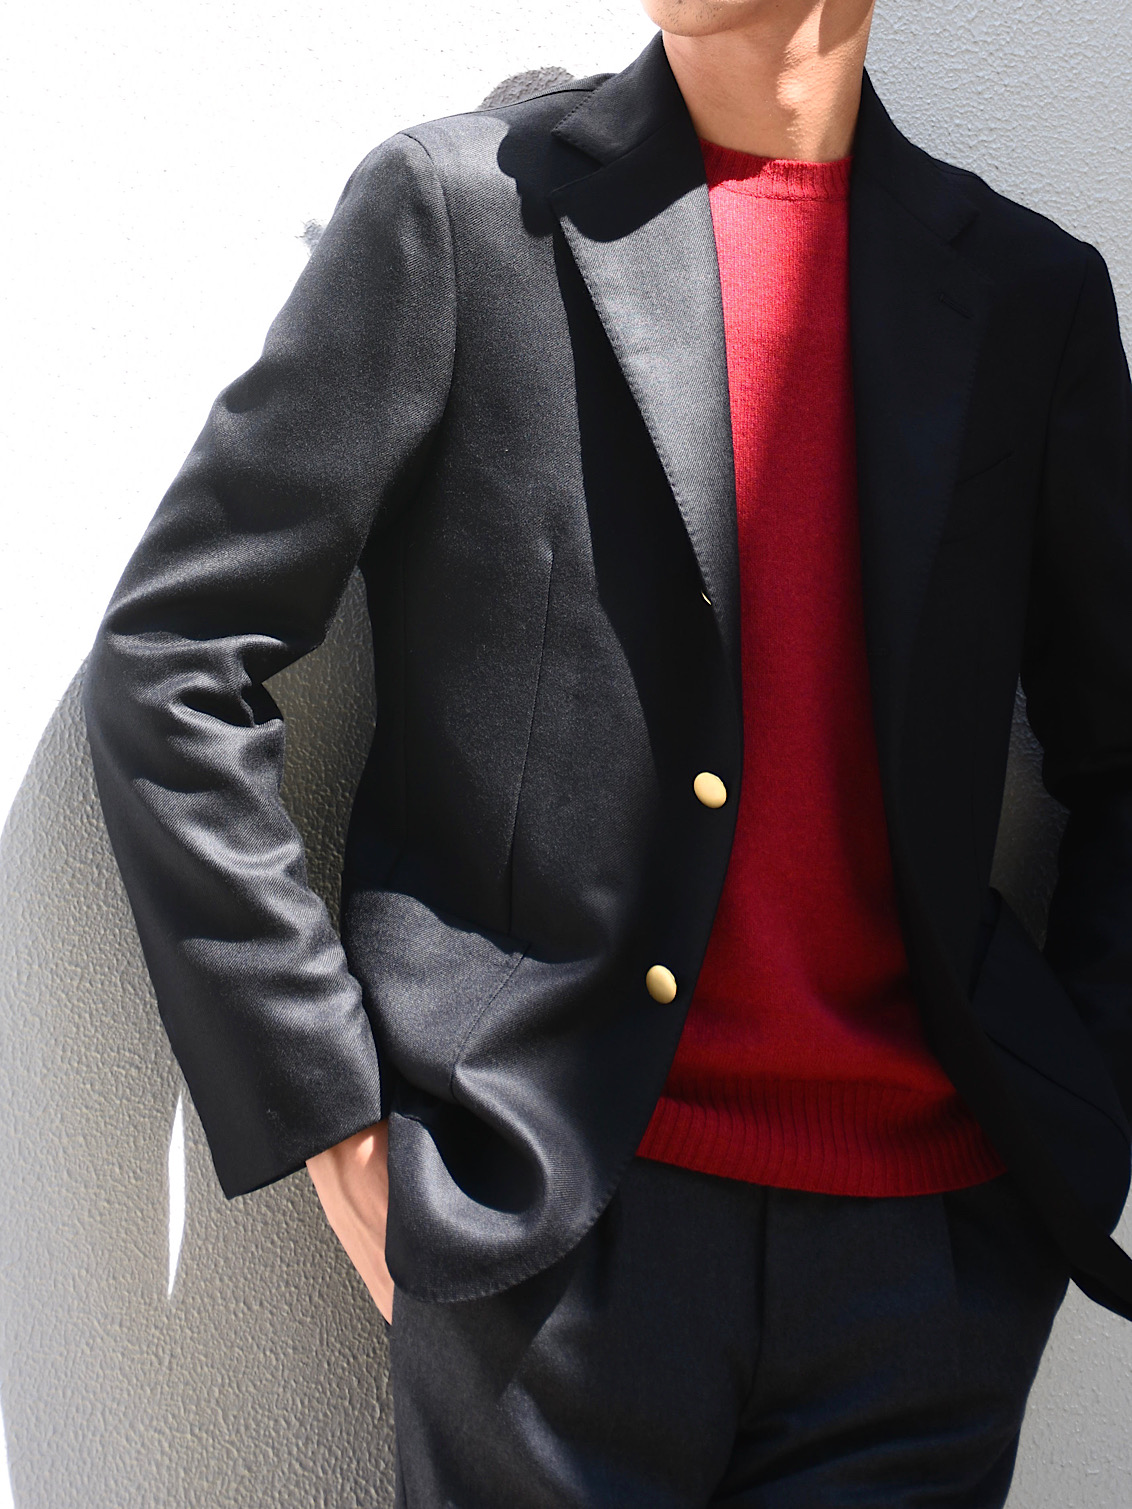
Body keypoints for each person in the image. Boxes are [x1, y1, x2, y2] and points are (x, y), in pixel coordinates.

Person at [82, 1, 1132, 1504]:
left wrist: (1073, 1127)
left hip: (922, 1285)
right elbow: (175, 656)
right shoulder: (464, 219)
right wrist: (329, 1115)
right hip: (550, 1259)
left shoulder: (1028, 299)